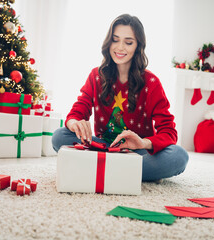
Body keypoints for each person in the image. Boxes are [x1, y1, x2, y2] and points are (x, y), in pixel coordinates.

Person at [52, 14, 188, 182]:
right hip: (103, 147)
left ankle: (100, 169)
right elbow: (77, 112)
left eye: (128, 42)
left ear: (138, 46)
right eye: (115, 40)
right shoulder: (96, 75)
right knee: (60, 135)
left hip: (137, 152)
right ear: (109, 42)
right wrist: (75, 124)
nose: (120, 47)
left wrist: (143, 143)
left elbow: (169, 132)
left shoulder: (151, 83)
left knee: (178, 156)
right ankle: (123, 172)